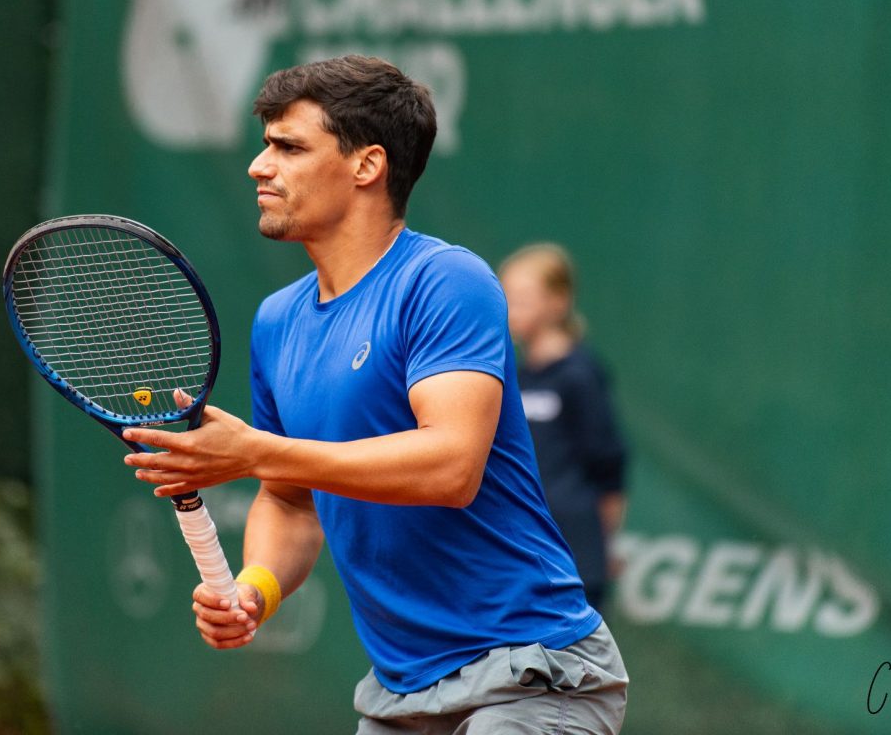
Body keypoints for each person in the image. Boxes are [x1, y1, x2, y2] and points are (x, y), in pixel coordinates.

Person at [120, 55, 628, 734]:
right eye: (265, 144)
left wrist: (254, 450)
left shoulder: (445, 282)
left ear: (367, 166)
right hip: (398, 695)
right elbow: (290, 499)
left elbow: (451, 467)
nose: (258, 166)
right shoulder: (278, 321)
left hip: (531, 675)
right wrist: (255, 589)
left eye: (288, 147)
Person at [499, 244, 630, 610]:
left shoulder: (580, 375)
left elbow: (608, 464)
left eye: (523, 297)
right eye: (505, 295)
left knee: (570, 668)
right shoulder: (513, 377)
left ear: (558, 301)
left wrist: (603, 542)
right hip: (522, 560)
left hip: (575, 561)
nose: (511, 307)